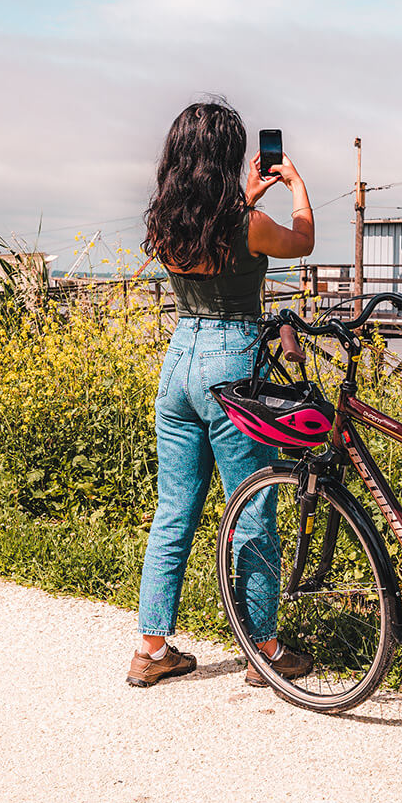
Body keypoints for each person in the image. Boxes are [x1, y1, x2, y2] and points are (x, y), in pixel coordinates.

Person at [127, 99, 315, 688]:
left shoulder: (166, 221)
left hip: (179, 357)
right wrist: (295, 187)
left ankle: (151, 649)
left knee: (174, 508)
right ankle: (264, 648)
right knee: (252, 505)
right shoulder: (246, 223)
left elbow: (212, 235)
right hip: (230, 359)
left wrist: (247, 199)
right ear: (224, 157)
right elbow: (302, 241)